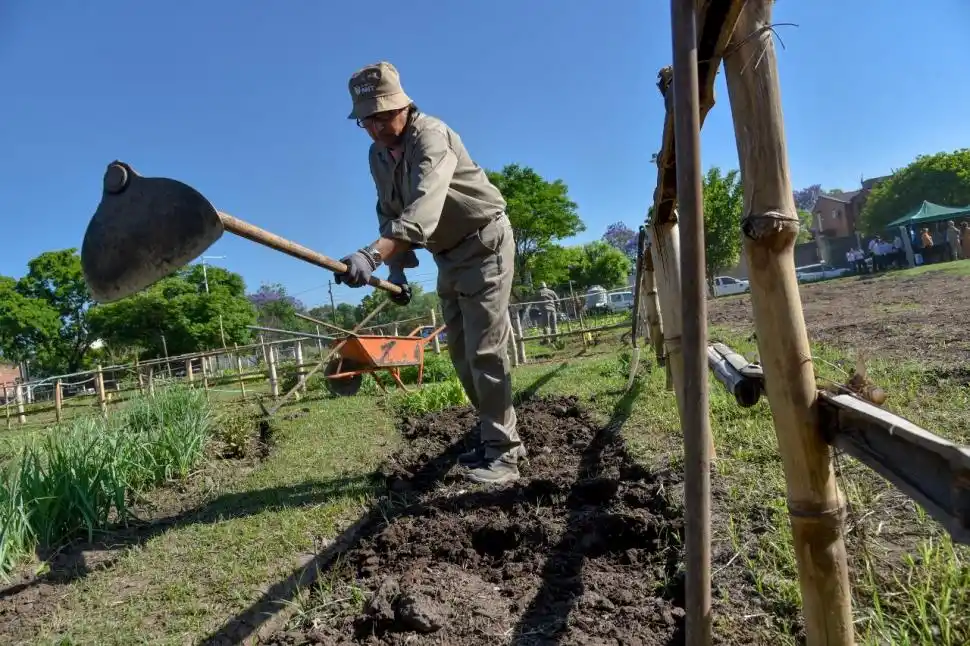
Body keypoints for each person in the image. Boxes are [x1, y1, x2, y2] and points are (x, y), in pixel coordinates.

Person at [335, 61, 526, 485]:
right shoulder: (377, 155)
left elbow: (422, 210)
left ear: (403, 105)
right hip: (448, 255)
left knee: (485, 350)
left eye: (384, 115)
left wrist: (372, 255)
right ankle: (495, 435)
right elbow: (390, 211)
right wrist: (398, 273)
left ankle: (505, 453)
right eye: (368, 120)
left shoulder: (431, 136)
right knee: (459, 353)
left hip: (484, 243)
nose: (378, 127)